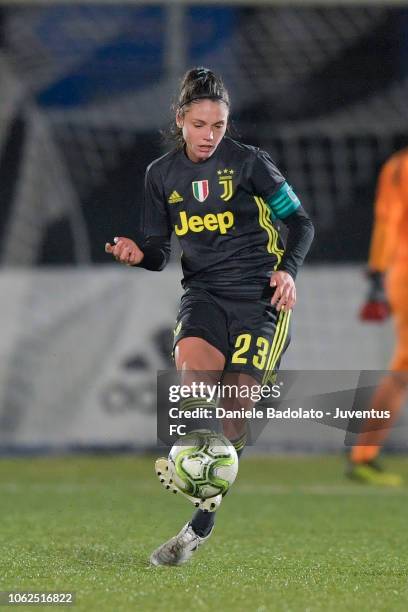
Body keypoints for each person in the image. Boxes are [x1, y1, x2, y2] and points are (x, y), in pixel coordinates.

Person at [105, 67, 314, 565]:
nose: (209, 135)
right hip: (204, 294)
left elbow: (300, 223)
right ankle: (190, 459)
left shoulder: (251, 164)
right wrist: (139, 254)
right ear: (181, 120)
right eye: (199, 124)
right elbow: (159, 252)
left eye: (218, 125)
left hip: (261, 300)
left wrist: (288, 272)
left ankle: (199, 524)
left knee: (234, 411)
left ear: (227, 124)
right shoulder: (160, 175)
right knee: (193, 384)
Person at [348, 148, 408, 486]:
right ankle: (363, 455)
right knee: (403, 367)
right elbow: (388, 220)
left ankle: (364, 454)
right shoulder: (402, 167)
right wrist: (376, 275)